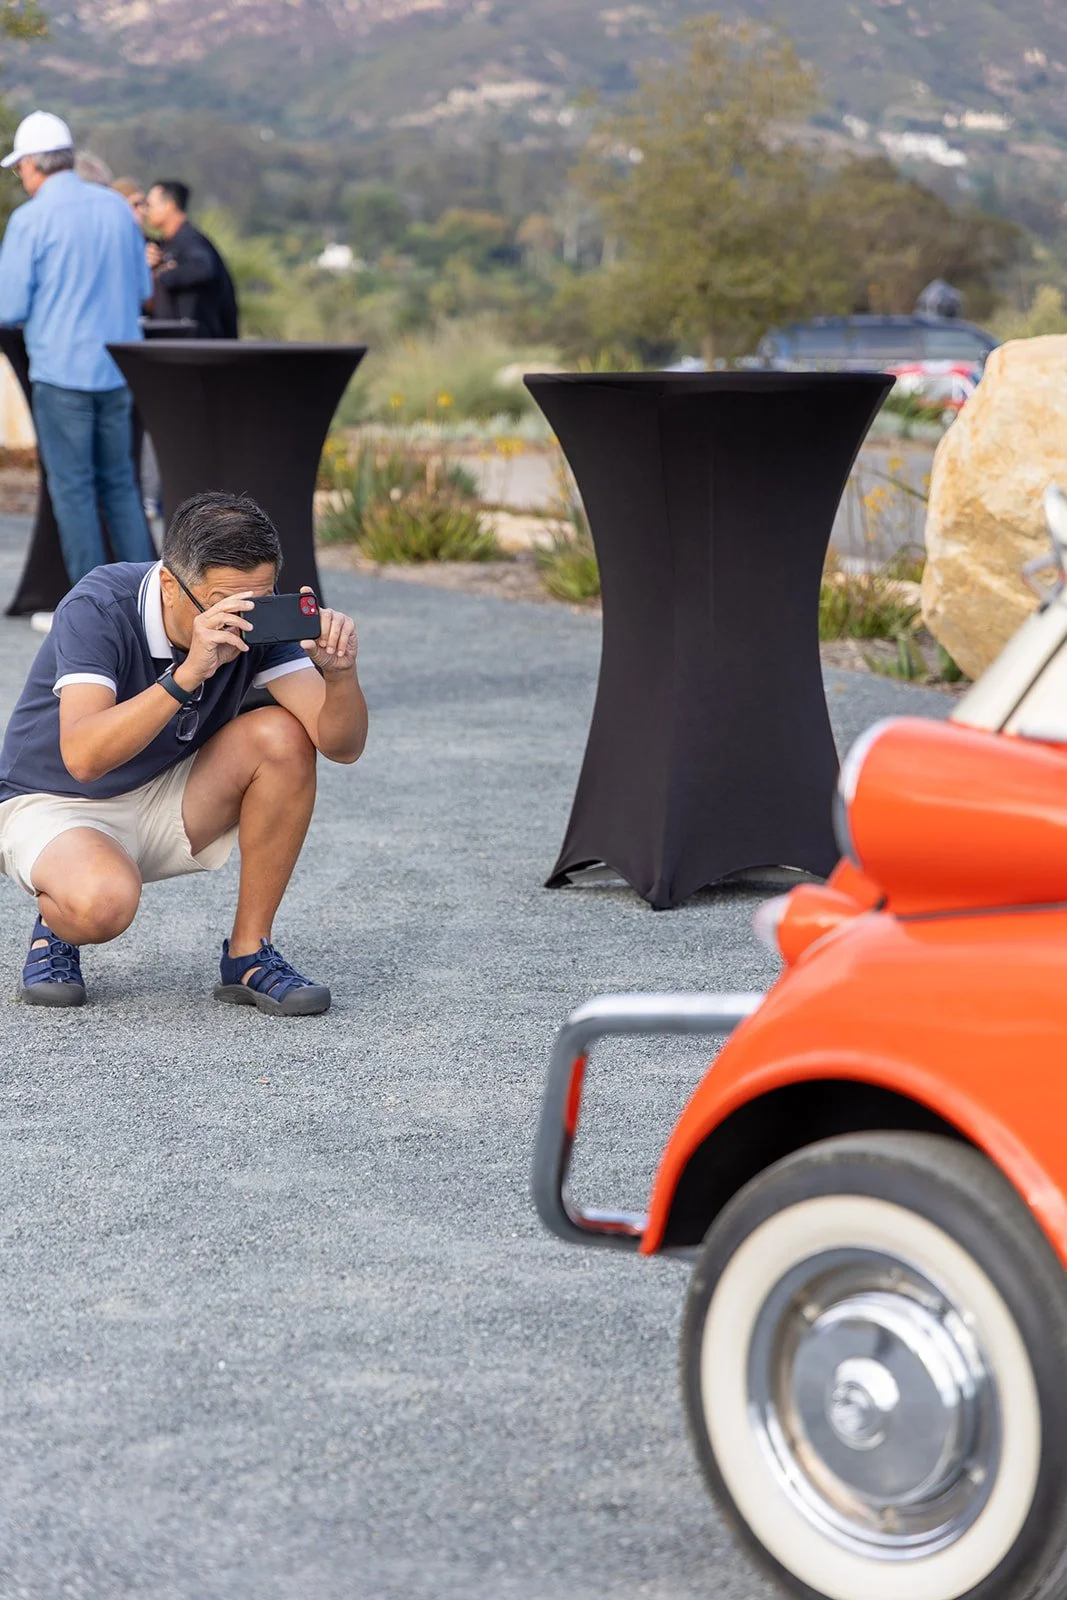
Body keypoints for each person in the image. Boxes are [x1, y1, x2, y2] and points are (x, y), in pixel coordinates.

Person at [0, 490, 367, 1014]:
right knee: (103, 903)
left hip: (162, 791)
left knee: (282, 737)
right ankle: (60, 918)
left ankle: (249, 953)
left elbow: (342, 746)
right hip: (53, 799)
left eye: (260, 599)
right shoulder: (100, 605)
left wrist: (341, 676)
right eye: (224, 602)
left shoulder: (254, 613)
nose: (245, 617)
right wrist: (187, 673)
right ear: (171, 585)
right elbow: (82, 757)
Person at [0, 111, 155, 588]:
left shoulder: (30, 219)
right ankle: (150, 601)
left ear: (33, 165)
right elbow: (142, 287)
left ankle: (92, 610)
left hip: (62, 372)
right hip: (117, 370)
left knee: (74, 491)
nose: (21, 177)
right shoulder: (114, 208)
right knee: (120, 486)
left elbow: (8, 308)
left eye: (19, 168)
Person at [143, 180, 238, 339]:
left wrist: (162, 276)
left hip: (201, 343)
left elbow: (203, 268)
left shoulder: (189, 240)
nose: (147, 211)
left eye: (150, 205)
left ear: (170, 205)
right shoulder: (171, 243)